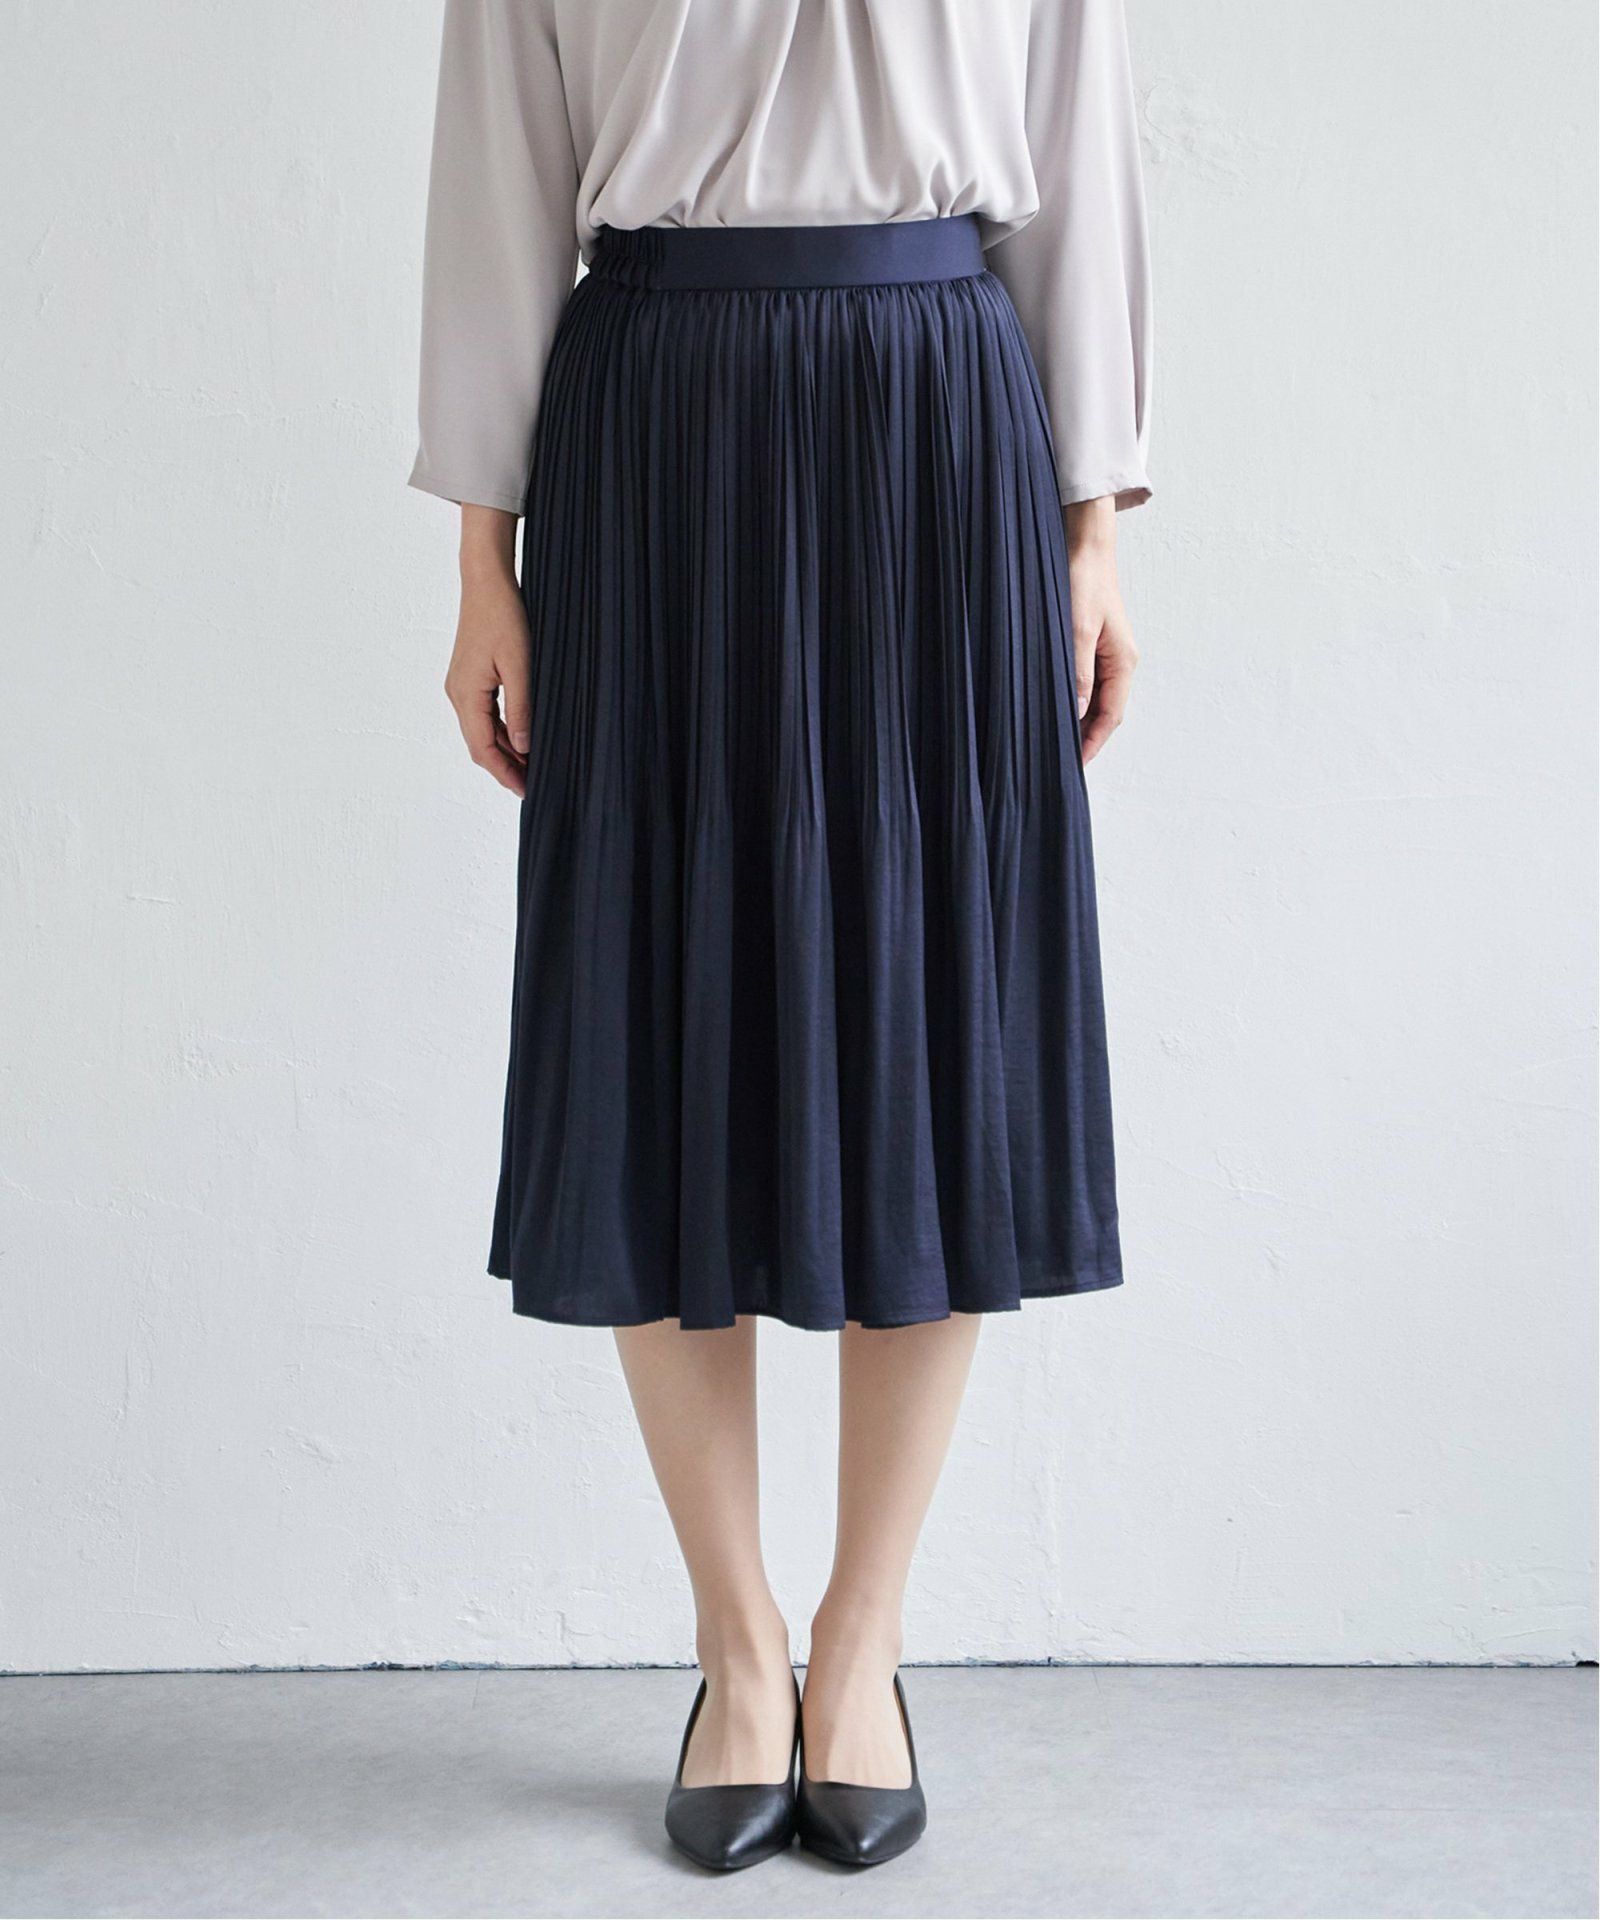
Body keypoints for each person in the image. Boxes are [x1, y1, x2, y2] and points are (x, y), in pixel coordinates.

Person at [410, 0, 1150, 1872]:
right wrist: (483, 559)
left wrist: (1095, 529)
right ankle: (739, 1646)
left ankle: (864, 1643)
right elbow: (497, 170)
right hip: (659, 422)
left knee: (929, 1013)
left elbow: (1077, 141)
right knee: (660, 1008)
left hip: (937, 417)